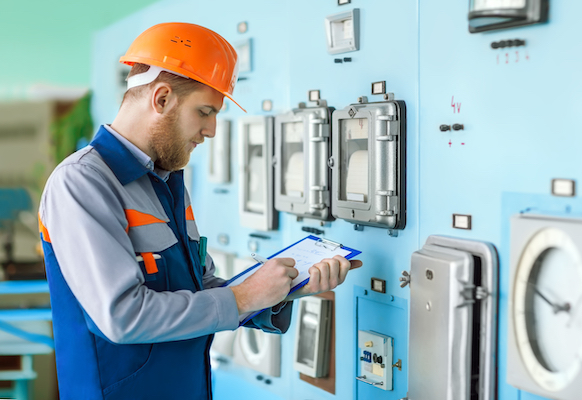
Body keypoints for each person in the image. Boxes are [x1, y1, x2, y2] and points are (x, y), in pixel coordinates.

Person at [38, 22, 362, 400]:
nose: (211, 130)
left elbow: (199, 291)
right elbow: (122, 315)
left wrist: (282, 287)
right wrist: (243, 298)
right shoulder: (82, 183)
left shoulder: (166, 181)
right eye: (205, 111)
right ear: (161, 99)